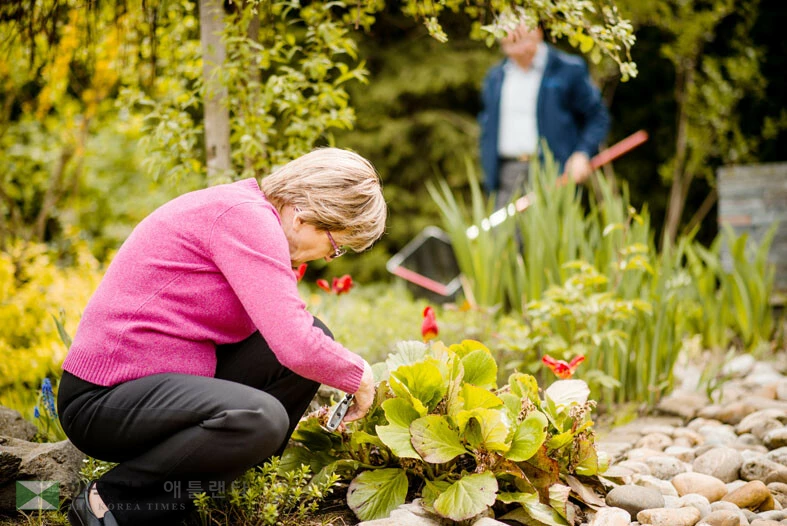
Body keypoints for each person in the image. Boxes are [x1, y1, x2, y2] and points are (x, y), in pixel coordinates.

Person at [57, 148, 386, 526]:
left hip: (161, 387)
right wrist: (358, 373)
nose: (331, 257)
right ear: (302, 213)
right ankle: (110, 502)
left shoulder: (252, 217)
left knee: (312, 344)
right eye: (336, 243)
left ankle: (200, 502)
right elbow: (294, 343)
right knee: (259, 417)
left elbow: (292, 338)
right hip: (103, 398)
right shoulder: (245, 218)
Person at [479, 20, 611, 208]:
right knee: (502, 236)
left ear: (538, 32)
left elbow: (597, 118)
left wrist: (582, 153)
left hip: (554, 173)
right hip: (507, 174)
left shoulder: (568, 70)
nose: (517, 51)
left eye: (521, 41)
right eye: (509, 45)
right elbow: (487, 125)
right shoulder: (495, 77)